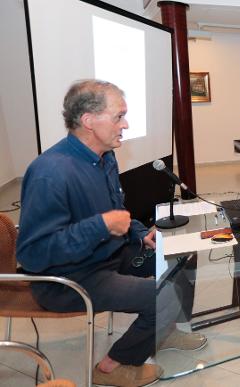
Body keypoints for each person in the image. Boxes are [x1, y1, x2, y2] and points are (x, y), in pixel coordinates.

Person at [16, 80, 205, 386]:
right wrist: (101, 225)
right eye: (118, 116)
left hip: (109, 254)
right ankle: (113, 366)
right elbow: (33, 255)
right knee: (163, 295)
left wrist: (140, 232)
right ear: (89, 121)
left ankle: (164, 330)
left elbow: (115, 212)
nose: (125, 124)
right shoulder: (50, 172)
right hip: (70, 278)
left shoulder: (104, 157)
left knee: (182, 255)